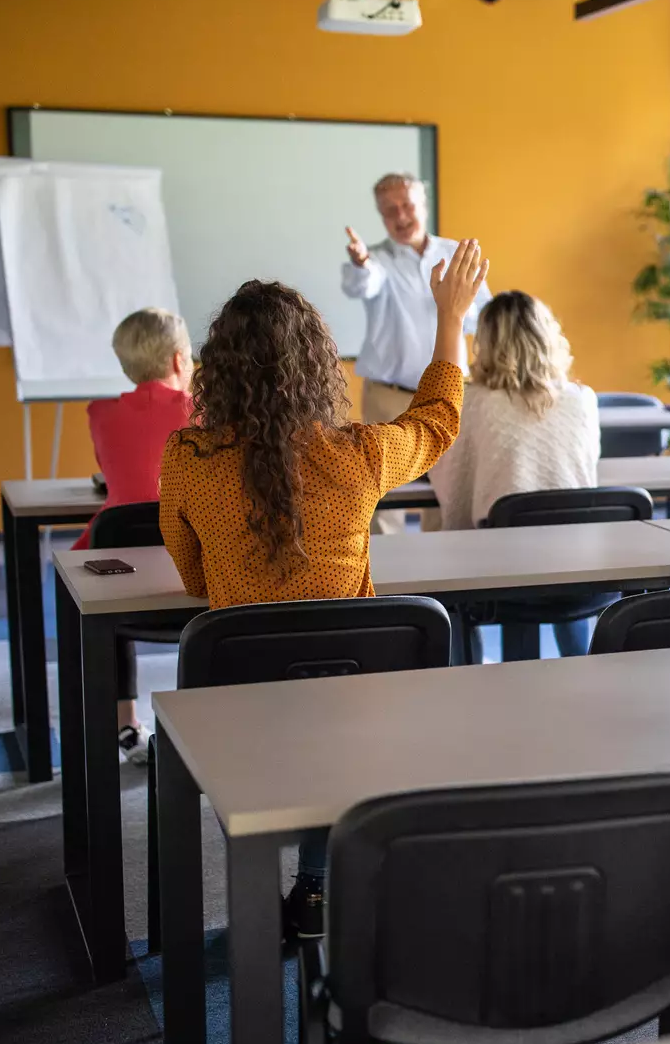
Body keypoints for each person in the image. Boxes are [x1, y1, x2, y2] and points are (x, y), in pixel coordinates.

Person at [160, 240, 486, 938]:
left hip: (237, 707)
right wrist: (450, 315)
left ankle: (252, 881)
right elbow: (437, 420)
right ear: (316, 365)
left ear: (218, 371)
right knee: (331, 716)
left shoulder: (187, 458)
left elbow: (194, 579)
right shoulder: (362, 454)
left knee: (278, 712)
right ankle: (316, 886)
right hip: (353, 702)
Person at [430, 290, 601, 659]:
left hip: (502, 578)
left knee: (454, 566)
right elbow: (585, 474)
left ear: (487, 343)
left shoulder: (472, 402)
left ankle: (468, 676)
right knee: (560, 536)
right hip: (581, 573)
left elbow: (452, 481)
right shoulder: (582, 398)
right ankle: (582, 663)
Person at [341, 172, 492, 534]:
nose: (401, 216)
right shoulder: (374, 259)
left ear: (423, 206)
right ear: (381, 216)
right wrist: (361, 262)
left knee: (450, 493)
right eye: (390, 210)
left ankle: (444, 575)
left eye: (407, 205)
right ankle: (389, 579)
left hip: (450, 396)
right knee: (382, 494)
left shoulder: (454, 254)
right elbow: (363, 283)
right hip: (388, 397)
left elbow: (483, 316)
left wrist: (453, 306)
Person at [75, 307, 194, 761]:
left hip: (121, 579)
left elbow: (119, 473)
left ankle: (124, 722)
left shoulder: (100, 413)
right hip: (194, 574)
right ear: (182, 361)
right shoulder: (204, 409)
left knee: (97, 566)